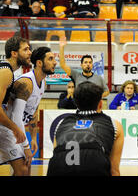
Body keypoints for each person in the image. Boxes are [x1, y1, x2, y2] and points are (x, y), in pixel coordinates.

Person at [0, 47, 57, 175]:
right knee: (23, 169)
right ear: (39, 63)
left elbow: (33, 112)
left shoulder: (42, 82)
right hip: (5, 128)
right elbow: (16, 117)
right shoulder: (26, 83)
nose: (55, 62)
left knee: (26, 168)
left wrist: (33, 138)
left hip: (14, 131)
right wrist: (26, 147)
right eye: (51, 59)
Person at [47, 82, 124, 176]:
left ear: (75, 103)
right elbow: (114, 170)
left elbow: (56, 151)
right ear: (100, 104)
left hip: (58, 163)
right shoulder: (114, 124)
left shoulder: (61, 123)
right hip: (94, 162)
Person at [0, 37, 31, 149]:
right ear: (14, 53)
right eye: (25, 49)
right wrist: (15, 128)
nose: (30, 52)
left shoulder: (7, 70)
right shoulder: (6, 72)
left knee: (21, 165)